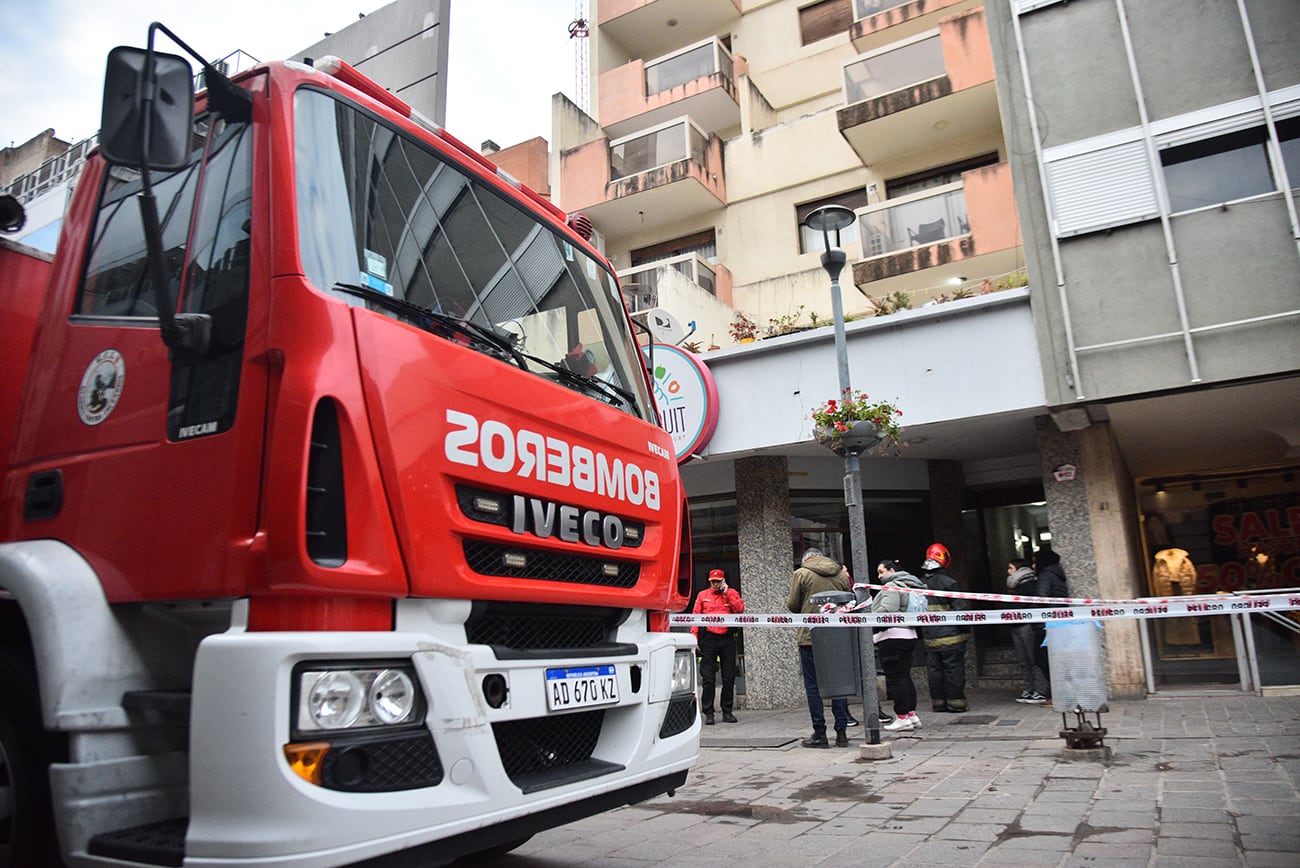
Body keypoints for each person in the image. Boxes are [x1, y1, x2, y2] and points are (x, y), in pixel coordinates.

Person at [787, 549, 852, 748]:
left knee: (813, 686)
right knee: (838, 686)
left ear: (807, 559)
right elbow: (849, 601)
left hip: (810, 636)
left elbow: (792, 604)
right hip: (837, 636)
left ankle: (820, 733)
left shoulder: (801, 574)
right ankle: (841, 732)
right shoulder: (840, 573)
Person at [871, 559, 925, 732]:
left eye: (881, 572)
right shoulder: (910, 584)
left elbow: (887, 610)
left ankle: (902, 717)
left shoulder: (893, 586)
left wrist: (868, 616)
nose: (879, 576)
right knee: (904, 676)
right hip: (909, 634)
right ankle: (911, 715)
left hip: (891, 637)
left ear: (891, 570)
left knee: (895, 679)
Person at [918, 543, 970, 713]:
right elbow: (960, 610)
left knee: (934, 671)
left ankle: (938, 703)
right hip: (951, 637)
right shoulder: (950, 582)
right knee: (953, 670)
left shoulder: (920, 584)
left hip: (929, 637)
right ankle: (956, 703)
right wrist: (965, 631)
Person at [692, 569, 744, 725]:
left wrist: (727, 593)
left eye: (718, 581)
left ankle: (727, 711)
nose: (715, 584)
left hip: (727, 638)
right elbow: (695, 616)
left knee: (729, 676)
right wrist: (694, 638)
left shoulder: (731, 593)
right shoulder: (702, 595)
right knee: (708, 678)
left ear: (723, 581)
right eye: (713, 581)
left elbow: (739, 609)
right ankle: (708, 712)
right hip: (708, 638)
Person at [1007, 559, 1050, 704]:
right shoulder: (1016, 586)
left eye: (1010, 568)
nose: (1008, 571)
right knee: (1023, 660)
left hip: (1027, 625)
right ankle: (1028, 689)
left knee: (1034, 659)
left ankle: (1041, 690)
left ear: (1018, 569)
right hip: (1016, 625)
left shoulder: (1030, 584)